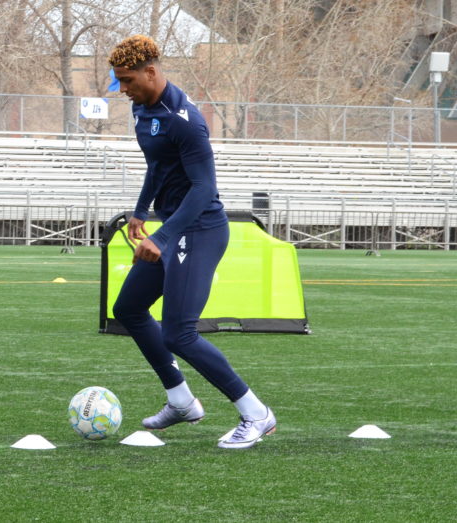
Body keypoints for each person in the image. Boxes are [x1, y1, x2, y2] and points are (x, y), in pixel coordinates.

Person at [108, 35, 276, 449]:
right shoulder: (141, 109)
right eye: (118, 82)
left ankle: (257, 414)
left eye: (127, 80)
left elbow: (203, 189)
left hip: (199, 230)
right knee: (128, 308)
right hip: (170, 228)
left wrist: (163, 238)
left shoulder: (186, 120)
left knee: (179, 333)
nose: (122, 90)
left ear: (151, 71)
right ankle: (182, 401)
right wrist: (140, 211)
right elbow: (157, 167)